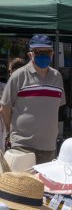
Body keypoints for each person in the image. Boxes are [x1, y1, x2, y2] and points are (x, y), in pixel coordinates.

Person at [0, 35, 65, 163]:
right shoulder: (18, 76)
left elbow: (57, 107)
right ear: (30, 55)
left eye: (47, 52)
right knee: (24, 183)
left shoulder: (57, 77)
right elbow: (5, 108)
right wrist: (10, 131)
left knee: (43, 183)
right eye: (38, 52)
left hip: (49, 146)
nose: (44, 55)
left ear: (52, 53)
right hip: (22, 145)